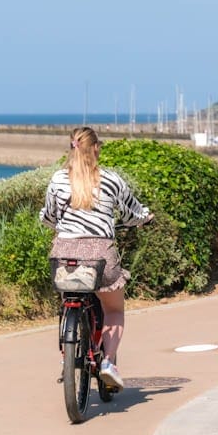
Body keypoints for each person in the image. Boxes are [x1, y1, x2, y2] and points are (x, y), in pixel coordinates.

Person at [39, 127, 152, 391]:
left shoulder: (58, 180)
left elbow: (48, 217)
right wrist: (145, 218)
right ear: (97, 148)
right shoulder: (111, 180)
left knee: (69, 294)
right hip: (101, 255)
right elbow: (131, 213)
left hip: (64, 254)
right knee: (113, 309)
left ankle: (67, 353)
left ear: (72, 148)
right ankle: (108, 363)